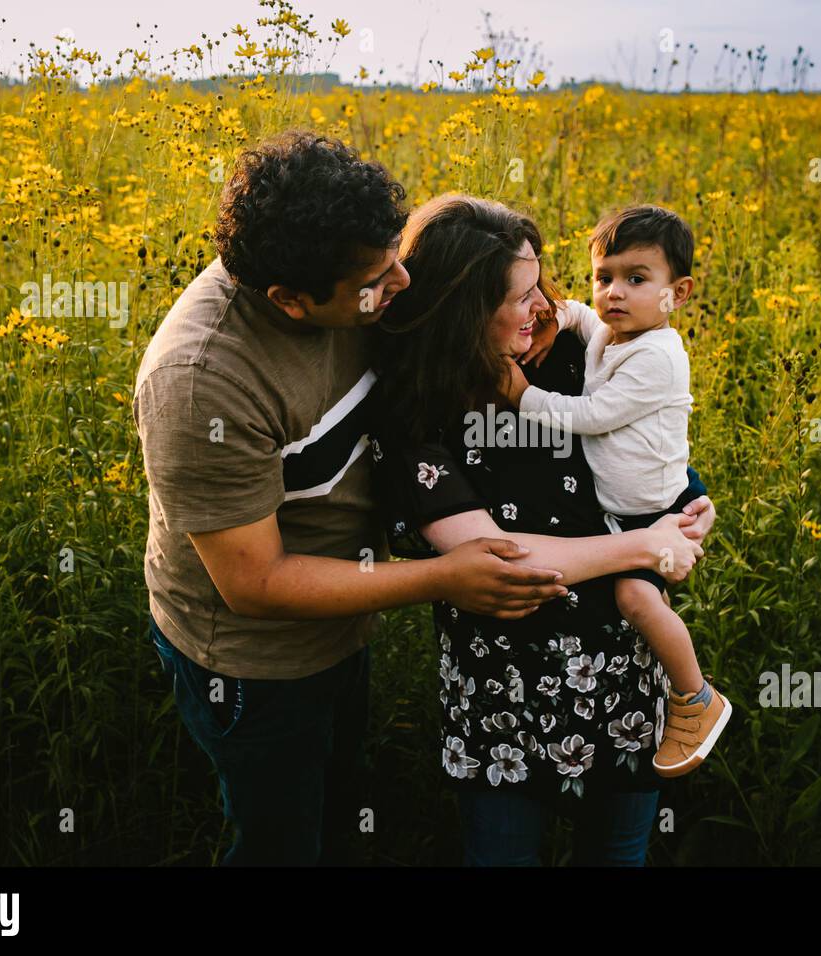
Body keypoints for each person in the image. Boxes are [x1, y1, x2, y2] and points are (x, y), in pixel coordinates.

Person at [134, 131, 573, 866]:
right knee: (282, 843)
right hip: (254, 666)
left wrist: (540, 315)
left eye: (397, 254)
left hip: (344, 621)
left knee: (339, 814)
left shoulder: (361, 282)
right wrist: (444, 578)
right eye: (379, 275)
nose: (402, 282)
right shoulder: (201, 381)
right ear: (290, 300)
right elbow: (255, 583)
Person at [369, 193, 719, 865]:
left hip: (622, 680)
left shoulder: (564, 354)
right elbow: (497, 558)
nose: (546, 306)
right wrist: (647, 544)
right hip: (502, 697)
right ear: (467, 308)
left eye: (543, 286)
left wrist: (694, 503)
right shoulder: (412, 415)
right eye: (524, 294)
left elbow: (645, 453)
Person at [502, 204, 730, 778]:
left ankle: (697, 699)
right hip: (624, 510)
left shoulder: (658, 357)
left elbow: (595, 414)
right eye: (604, 277)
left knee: (634, 600)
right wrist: (555, 313)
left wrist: (521, 394)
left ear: (678, 292)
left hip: (653, 511)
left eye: (636, 279)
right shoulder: (616, 329)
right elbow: (583, 318)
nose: (614, 294)